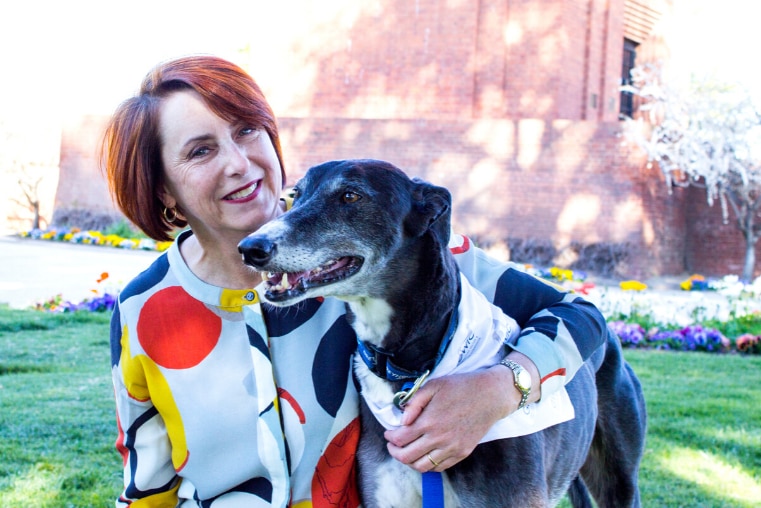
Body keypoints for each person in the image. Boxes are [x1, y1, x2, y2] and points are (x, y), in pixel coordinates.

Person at [103, 55, 608, 507]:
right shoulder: (140, 311)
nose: (238, 163)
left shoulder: (392, 256)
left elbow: (581, 319)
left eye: (246, 131)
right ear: (164, 190)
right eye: (200, 151)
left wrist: (502, 387)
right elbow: (148, 487)